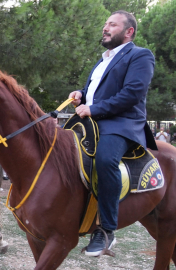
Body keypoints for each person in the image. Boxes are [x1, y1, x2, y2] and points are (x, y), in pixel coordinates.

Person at [68, 10, 155, 256]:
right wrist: (81, 94)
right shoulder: (103, 59)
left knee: (105, 159)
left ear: (129, 32)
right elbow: (96, 92)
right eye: (105, 23)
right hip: (93, 122)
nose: (105, 28)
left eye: (112, 25)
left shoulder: (140, 56)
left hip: (121, 125)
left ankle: (106, 231)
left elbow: (132, 93)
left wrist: (93, 108)